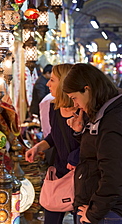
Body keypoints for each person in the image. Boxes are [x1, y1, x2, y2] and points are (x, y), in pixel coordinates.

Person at [63, 63, 122, 224]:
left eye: (74, 98)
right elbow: (98, 152)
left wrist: (94, 213)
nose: (75, 104)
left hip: (107, 213)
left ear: (87, 89)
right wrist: (80, 131)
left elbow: (114, 177)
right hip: (102, 208)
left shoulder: (113, 122)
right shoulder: (105, 115)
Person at [25, 64, 80, 224]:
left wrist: (75, 158)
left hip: (81, 175)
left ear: (64, 82)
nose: (48, 84)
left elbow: (91, 144)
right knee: (51, 217)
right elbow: (54, 136)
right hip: (59, 172)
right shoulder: (53, 107)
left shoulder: (84, 110)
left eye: (52, 80)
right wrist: (38, 147)